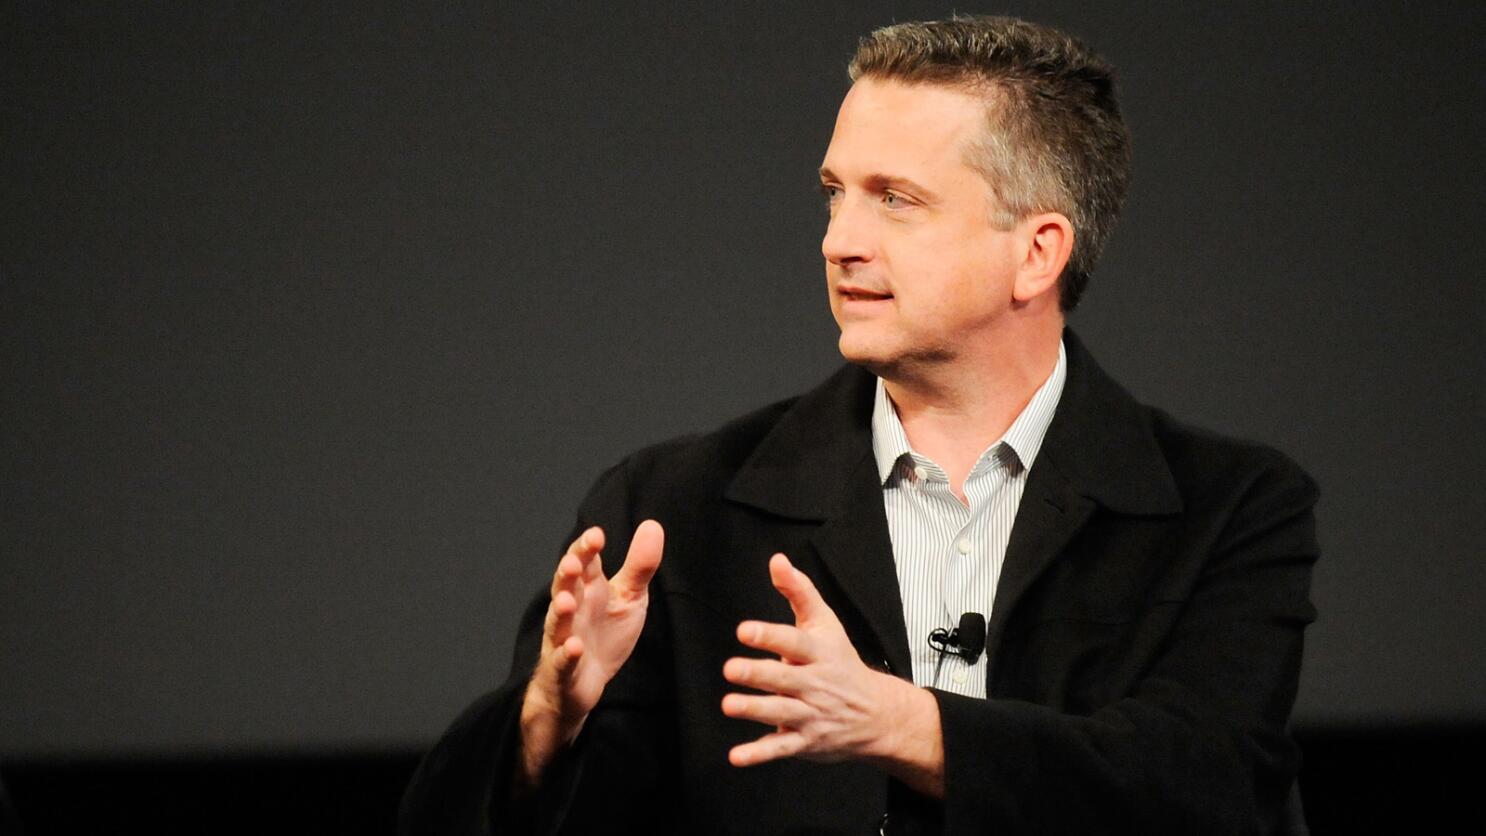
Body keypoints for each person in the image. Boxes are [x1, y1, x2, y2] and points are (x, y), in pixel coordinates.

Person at [400, 15, 1319, 836]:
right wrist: (544, 722)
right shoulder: (673, 511)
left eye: (895, 199)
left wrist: (900, 724)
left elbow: (1208, 786)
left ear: (1037, 254)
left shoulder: (1228, 509)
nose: (840, 240)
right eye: (835, 192)